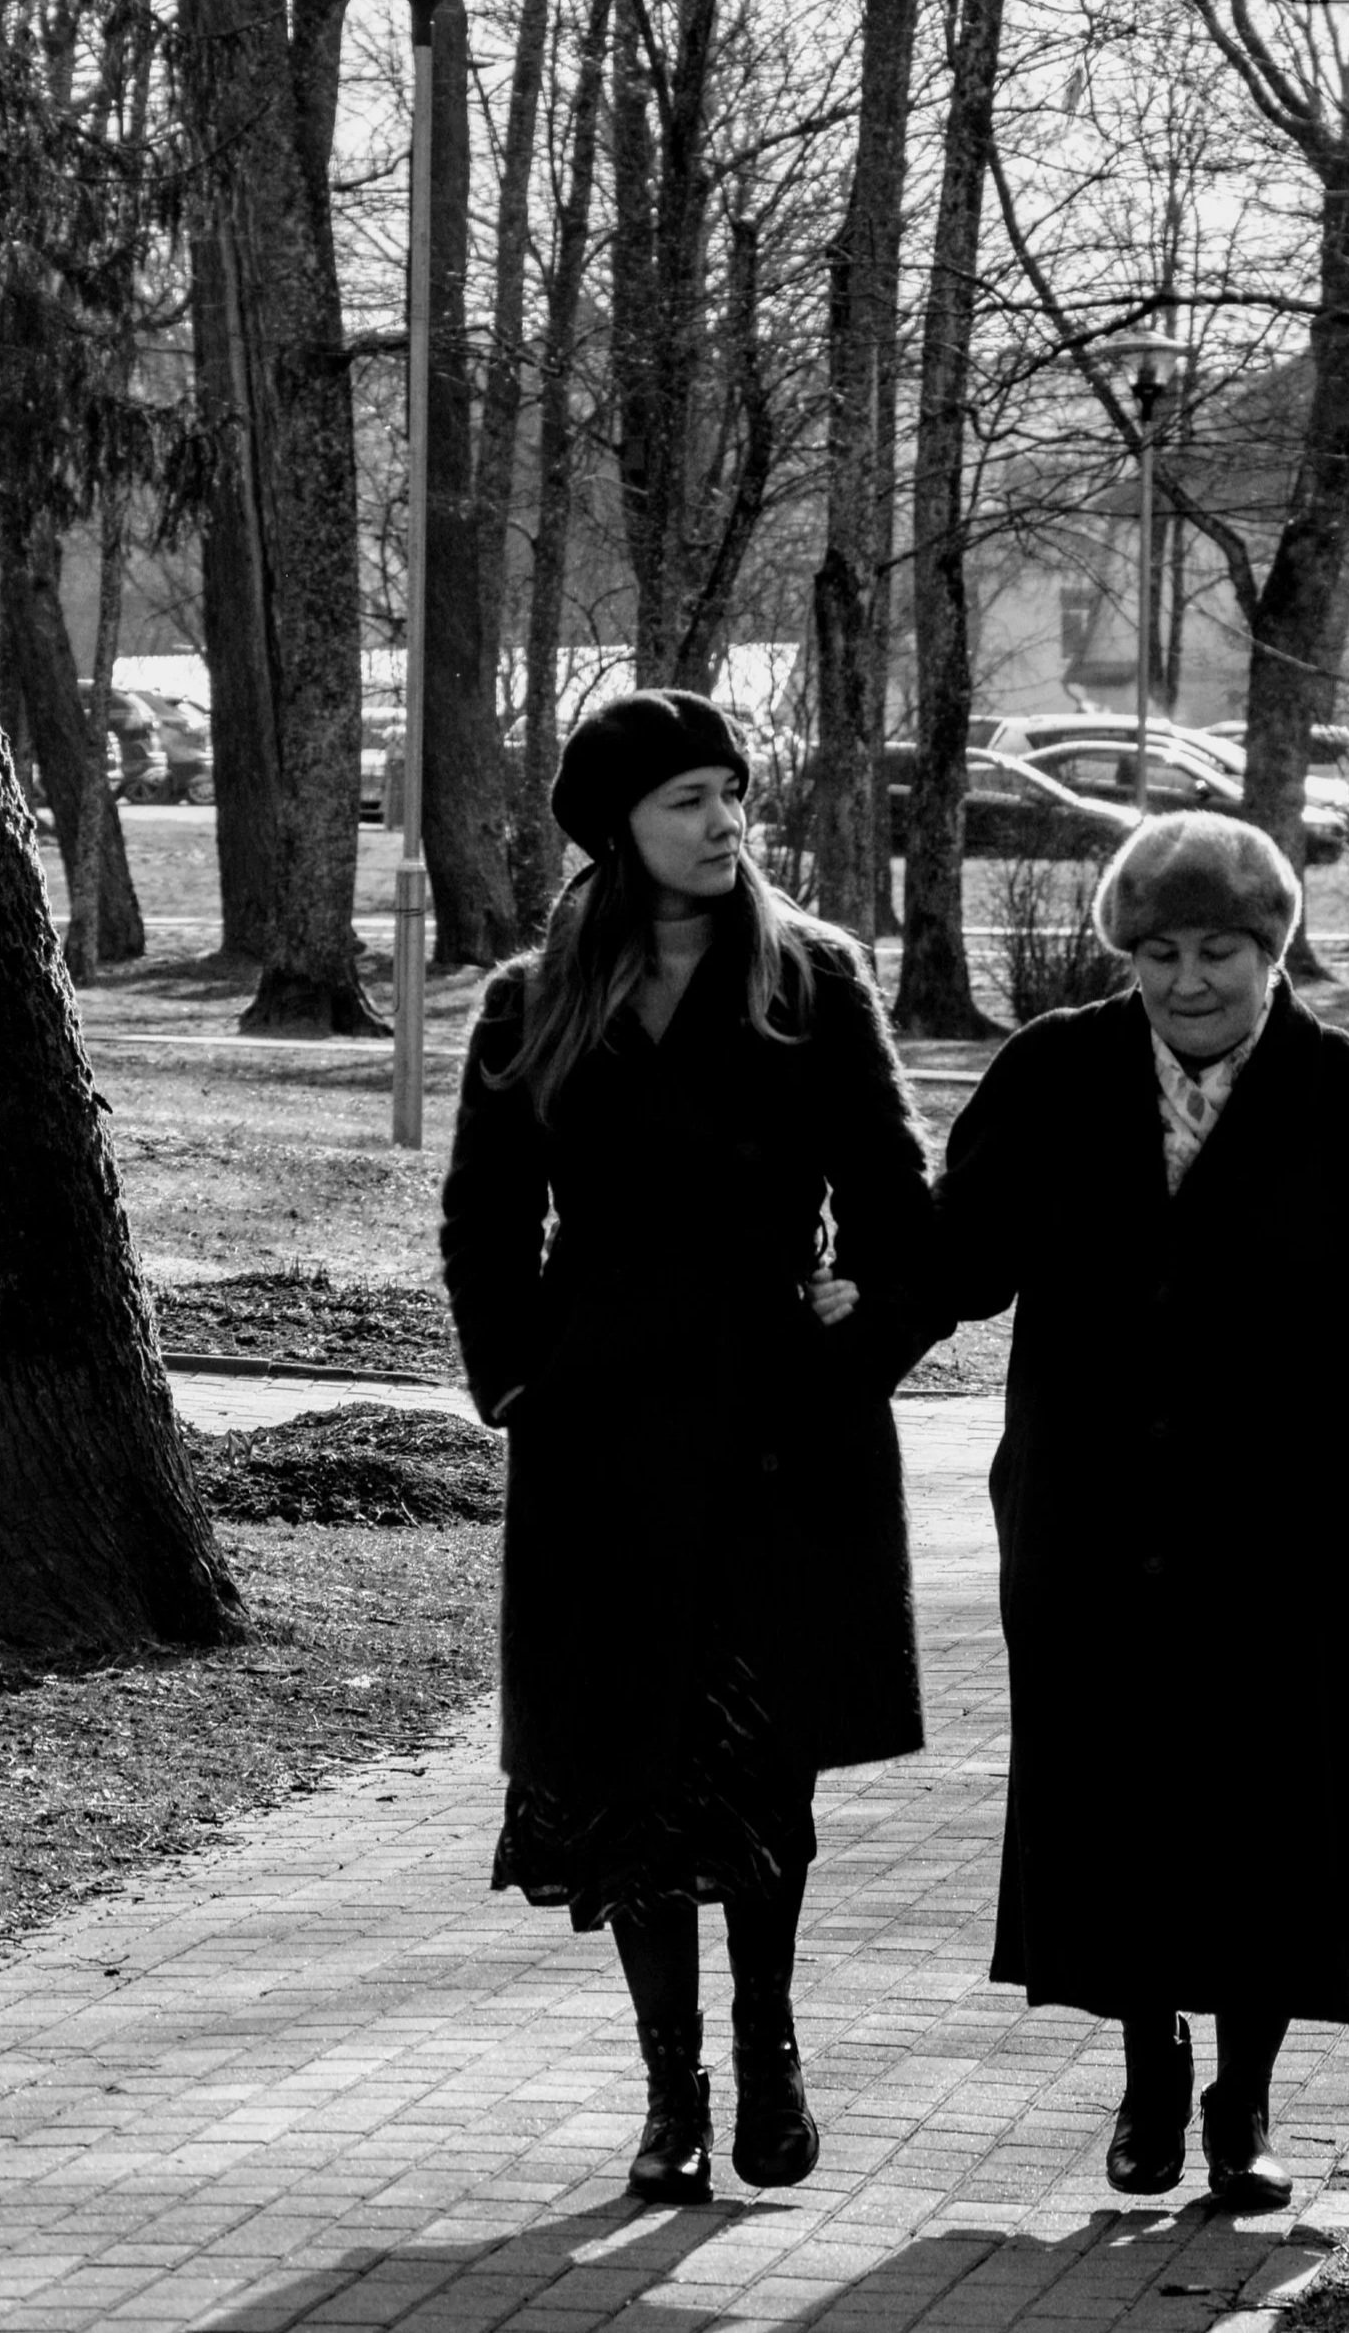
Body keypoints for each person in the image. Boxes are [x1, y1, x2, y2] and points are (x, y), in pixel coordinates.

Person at [932, 812, 1349, 2212]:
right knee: (1122, 1802)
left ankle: (1244, 2101)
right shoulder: (1058, 1075)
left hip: (1291, 1539)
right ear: (1124, 956)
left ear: (1275, 950)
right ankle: (1147, 2072)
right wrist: (837, 1307)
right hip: (1092, 1522)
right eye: (1158, 953)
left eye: (1220, 952)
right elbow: (957, 1262)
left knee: (1273, 1814)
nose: (1188, 981)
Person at [440, 690, 937, 2206]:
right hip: (601, 1434)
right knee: (621, 1769)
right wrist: (515, 1380)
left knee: (758, 1760)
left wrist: (854, 1352)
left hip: (777, 1428)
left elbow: (904, 1215)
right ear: (614, 831)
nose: (725, 823)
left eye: (731, 793)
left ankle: (770, 2048)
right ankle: (672, 2098)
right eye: (686, 802)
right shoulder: (532, 1001)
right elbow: (482, 1215)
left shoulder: (814, 975)